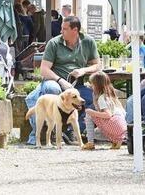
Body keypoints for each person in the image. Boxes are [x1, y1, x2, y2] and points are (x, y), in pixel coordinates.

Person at [25, 16, 99, 145]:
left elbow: (98, 65)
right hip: (55, 81)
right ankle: (52, 131)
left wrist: (83, 70)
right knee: (52, 89)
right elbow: (44, 70)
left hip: (76, 86)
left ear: (75, 30)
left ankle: (71, 131)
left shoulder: (88, 42)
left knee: (93, 98)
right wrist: (60, 80)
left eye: (64, 29)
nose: (61, 32)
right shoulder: (54, 43)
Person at [82, 71, 126, 150]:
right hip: (122, 129)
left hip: (114, 127)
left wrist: (91, 112)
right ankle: (116, 141)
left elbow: (107, 114)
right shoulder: (111, 96)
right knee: (97, 122)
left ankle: (90, 142)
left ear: (97, 85)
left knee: (89, 114)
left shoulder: (102, 98)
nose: (91, 85)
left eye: (92, 84)